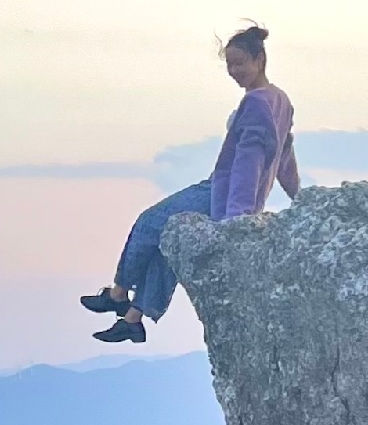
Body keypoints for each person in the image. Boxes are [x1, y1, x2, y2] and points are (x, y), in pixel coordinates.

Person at [82, 24, 300, 343]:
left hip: (221, 195)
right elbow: (284, 156)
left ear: (260, 60)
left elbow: (248, 161)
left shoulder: (256, 102)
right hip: (240, 200)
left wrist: (235, 218)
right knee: (167, 248)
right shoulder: (281, 101)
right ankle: (133, 319)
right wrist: (300, 199)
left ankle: (117, 293)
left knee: (149, 223)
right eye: (229, 65)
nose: (234, 71)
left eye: (240, 63)